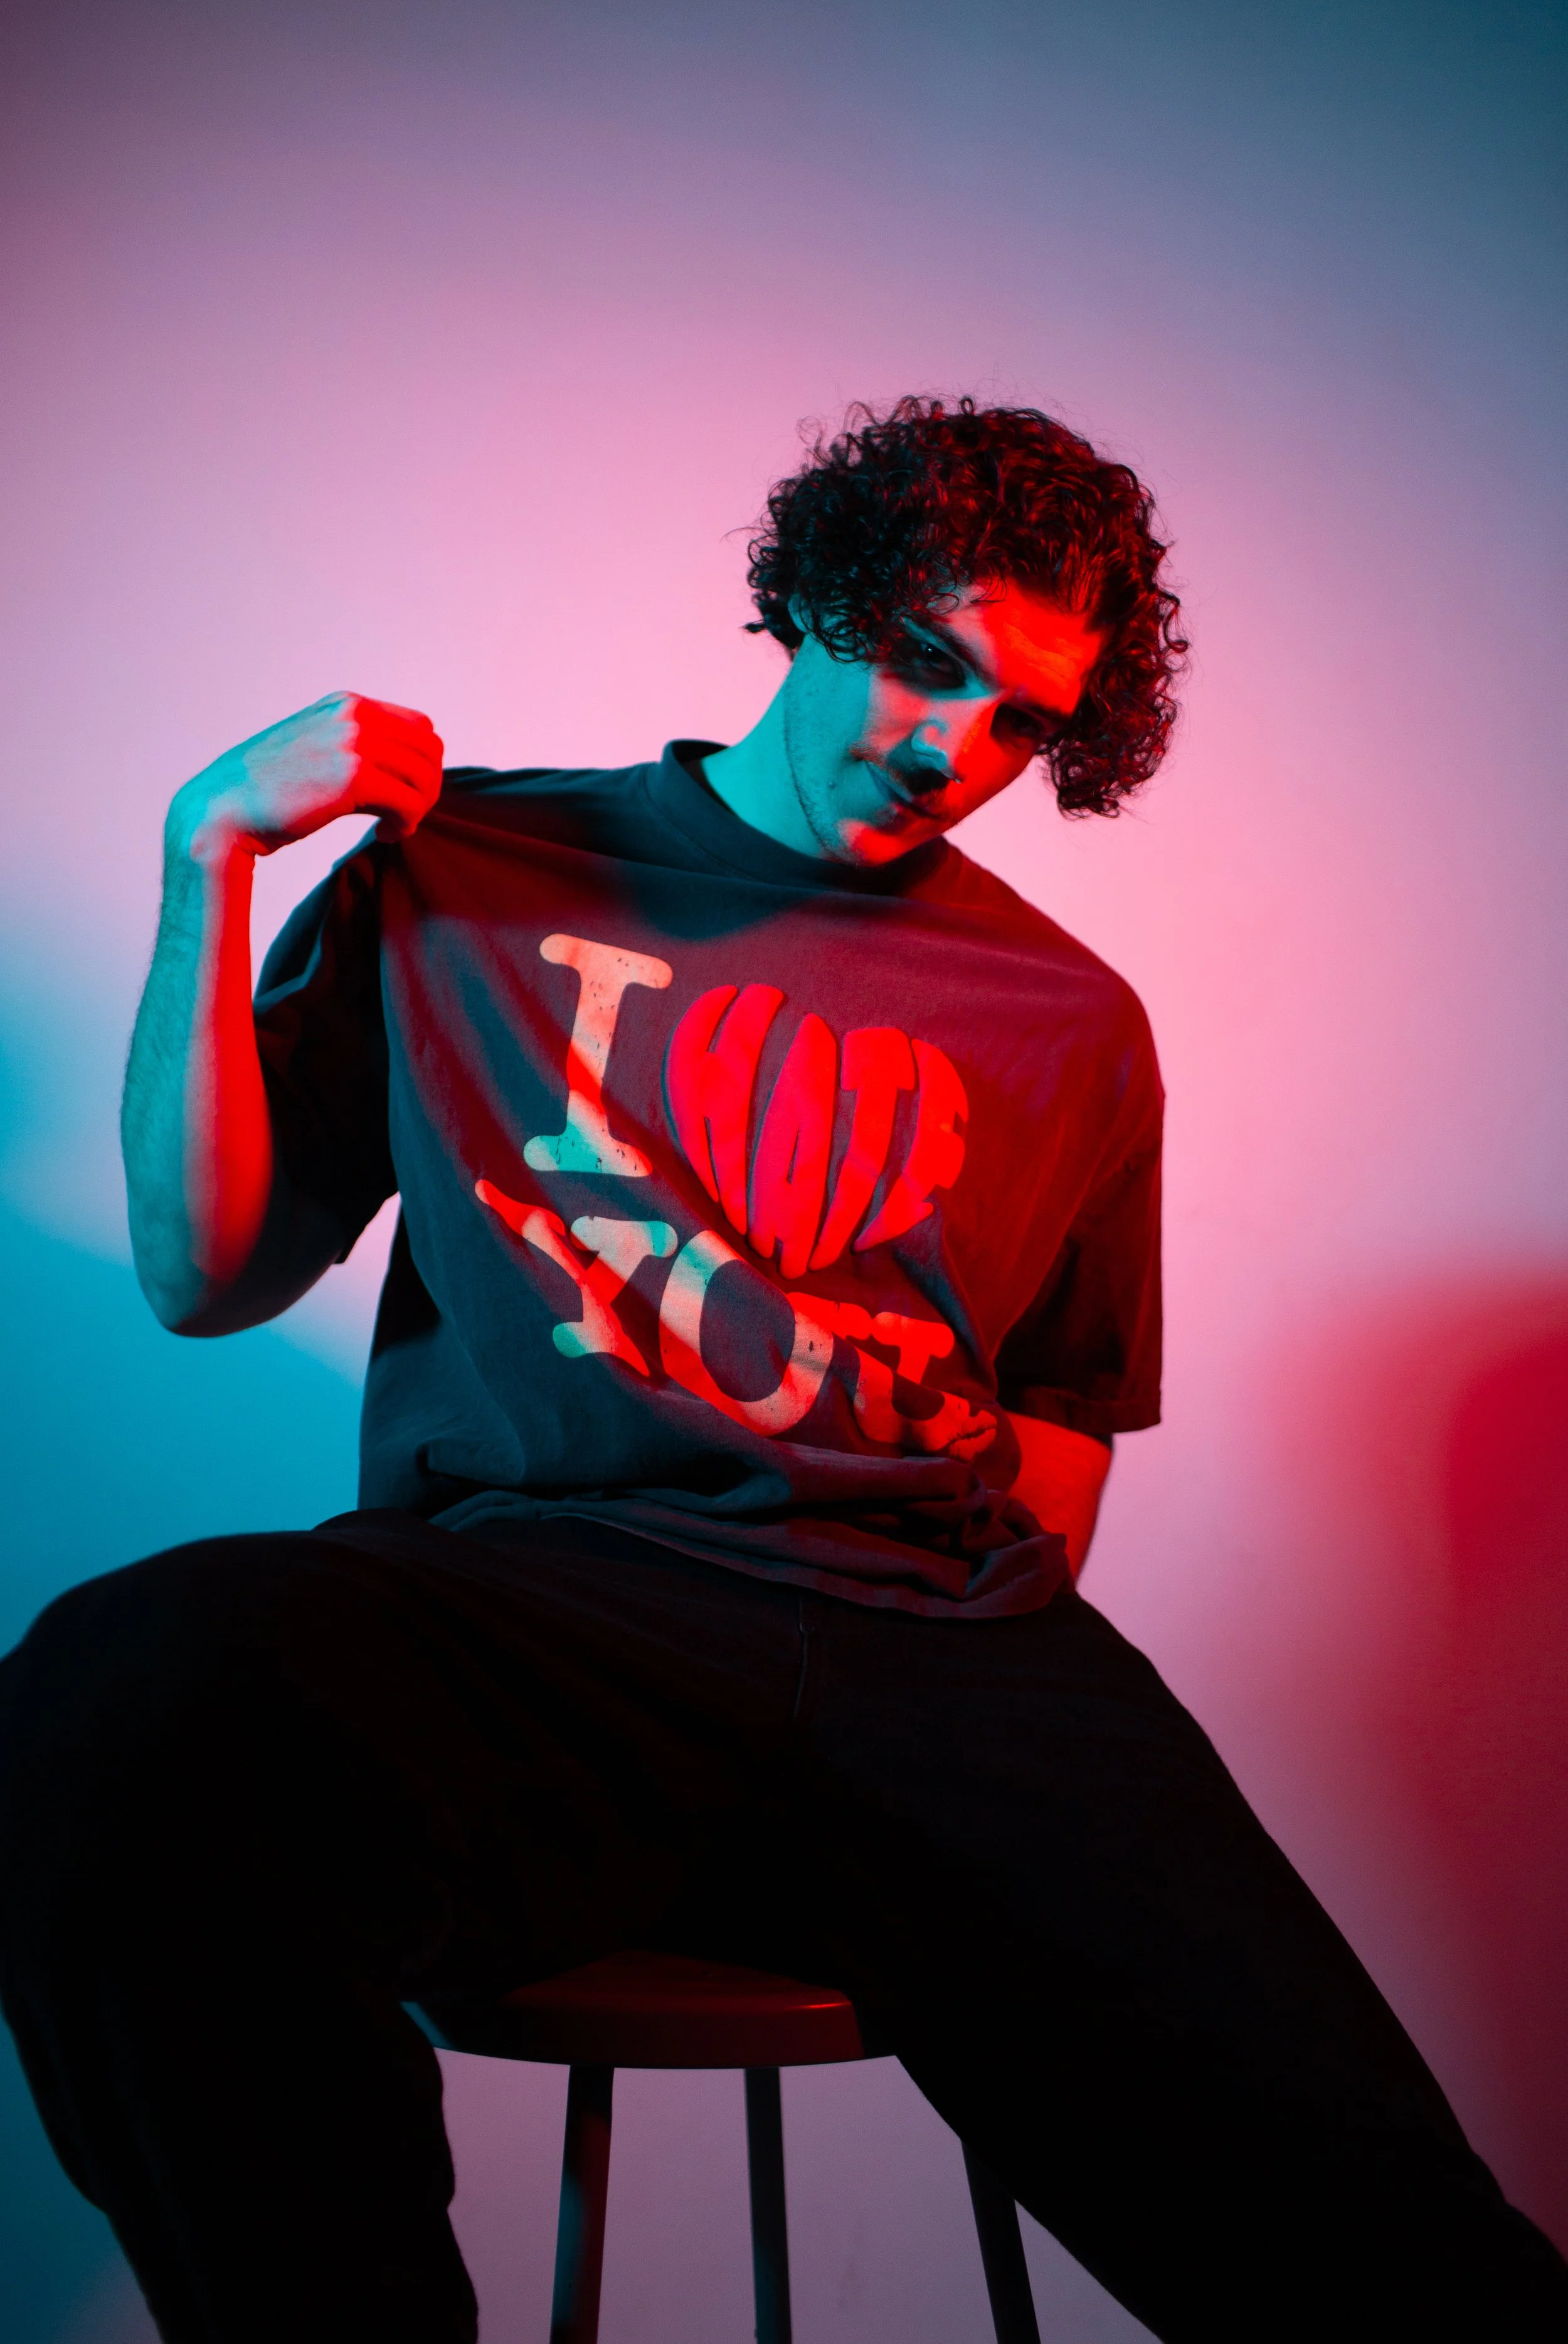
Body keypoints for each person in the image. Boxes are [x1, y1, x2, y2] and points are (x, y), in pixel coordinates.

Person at [0, 398, 1562, 2344]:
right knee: (115, 1695)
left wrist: (954, 1746)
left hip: (939, 1652)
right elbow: (204, 1271)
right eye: (926, 659)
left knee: (1386, 2231)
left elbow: (1060, 1434)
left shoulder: (1072, 1019)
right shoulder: (467, 864)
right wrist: (205, 859)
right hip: (535, 1619)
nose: (951, 749)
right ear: (815, 598)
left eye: (1020, 722)